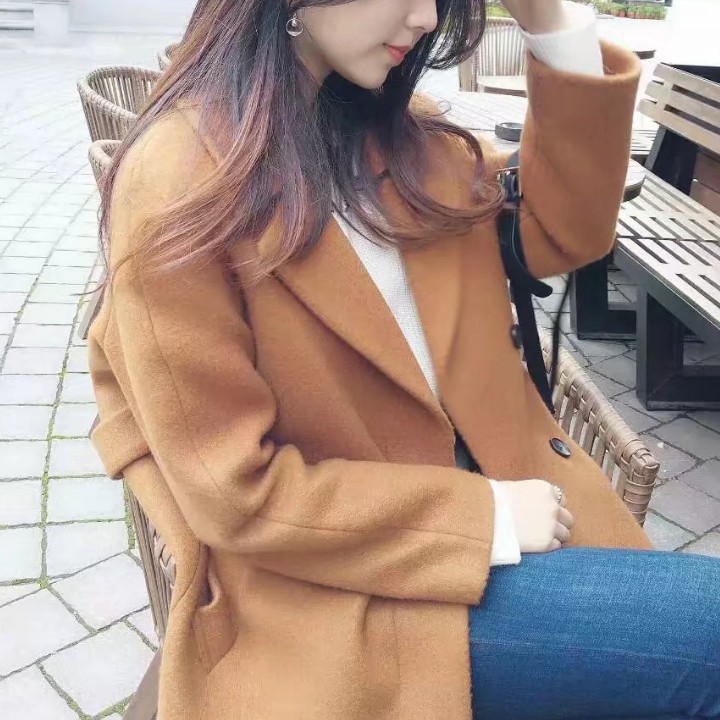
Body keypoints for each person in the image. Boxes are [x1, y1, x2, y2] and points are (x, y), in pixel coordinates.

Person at [88, 0, 720, 718]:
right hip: (341, 596)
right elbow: (235, 493)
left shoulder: (390, 131)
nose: (426, 17)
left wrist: (550, 20)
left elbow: (564, 231)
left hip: (502, 515)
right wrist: (480, 517)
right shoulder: (181, 181)